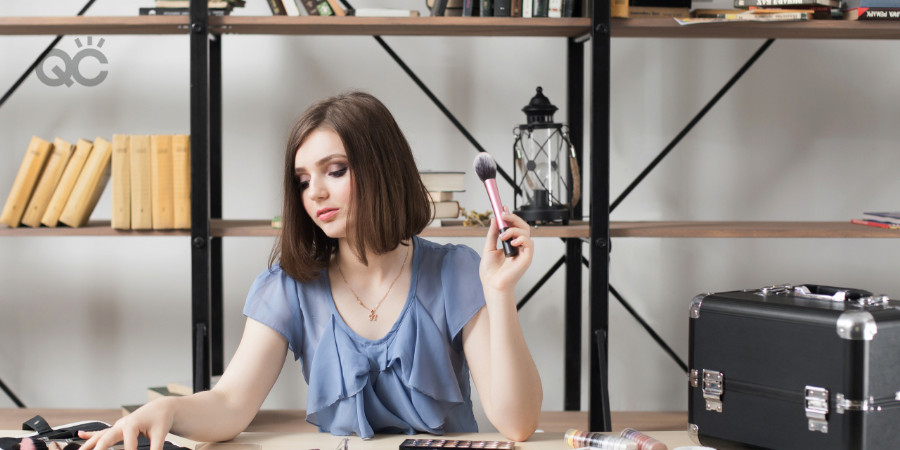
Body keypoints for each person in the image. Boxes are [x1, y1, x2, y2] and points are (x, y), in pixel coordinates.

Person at [79, 91, 542, 450]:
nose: (314, 193)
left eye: (335, 170)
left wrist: (500, 292)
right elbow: (230, 403)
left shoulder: (457, 272)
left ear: (383, 169)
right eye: (302, 180)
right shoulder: (289, 286)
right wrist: (167, 410)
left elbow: (517, 423)